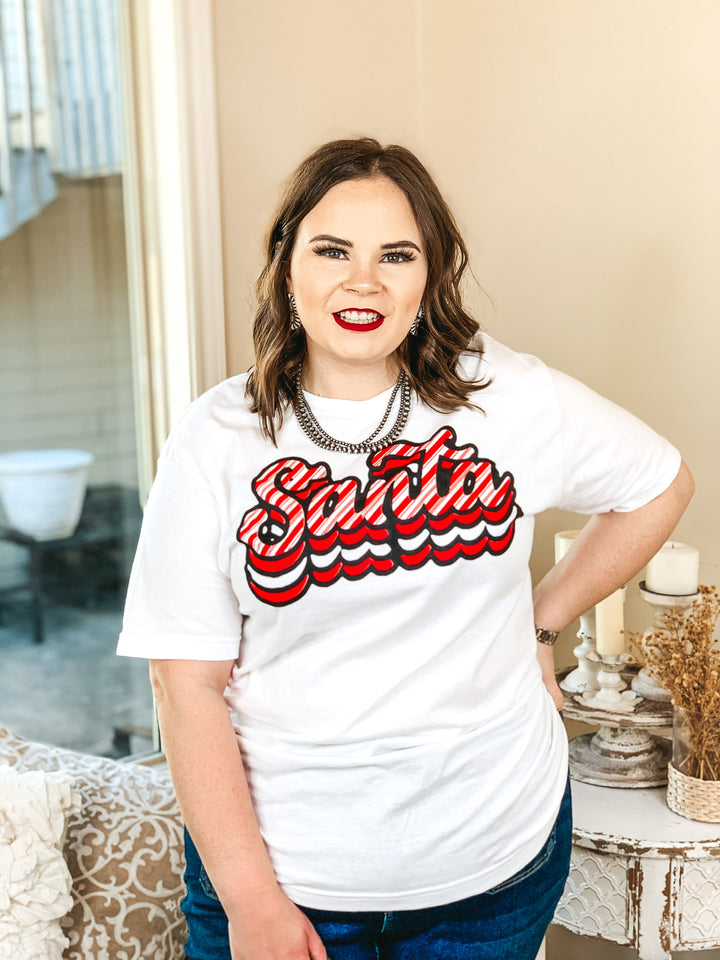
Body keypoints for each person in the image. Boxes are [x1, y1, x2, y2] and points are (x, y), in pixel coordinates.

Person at [117, 138, 694, 960]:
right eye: (332, 251)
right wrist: (251, 902)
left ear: (429, 277)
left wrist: (541, 620)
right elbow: (185, 685)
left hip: (493, 866)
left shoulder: (505, 397)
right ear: (287, 266)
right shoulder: (216, 437)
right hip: (286, 878)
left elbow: (660, 484)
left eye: (396, 254)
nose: (364, 280)